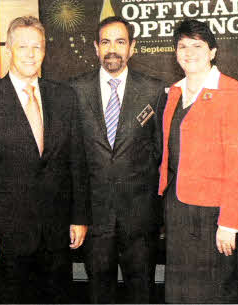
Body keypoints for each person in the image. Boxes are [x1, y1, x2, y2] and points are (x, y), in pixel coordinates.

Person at [0, 16, 90, 303]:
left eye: (37, 47)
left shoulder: (65, 97)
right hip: (6, 238)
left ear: (45, 51)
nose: (31, 54)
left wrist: (79, 217)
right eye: (23, 47)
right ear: (9, 49)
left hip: (56, 234)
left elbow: (77, 163)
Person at [69, 16, 166, 304]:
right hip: (94, 219)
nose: (113, 49)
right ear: (96, 48)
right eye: (106, 42)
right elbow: (71, 159)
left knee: (143, 292)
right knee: (99, 292)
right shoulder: (73, 91)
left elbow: (160, 154)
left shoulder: (154, 91)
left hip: (140, 218)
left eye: (121, 42)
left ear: (132, 47)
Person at [158, 19, 238, 303]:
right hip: (177, 208)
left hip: (213, 214)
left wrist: (230, 223)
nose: (189, 52)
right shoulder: (174, 92)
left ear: (212, 51)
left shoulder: (232, 93)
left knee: (214, 292)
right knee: (180, 291)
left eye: (197, 46)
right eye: (182, 46)